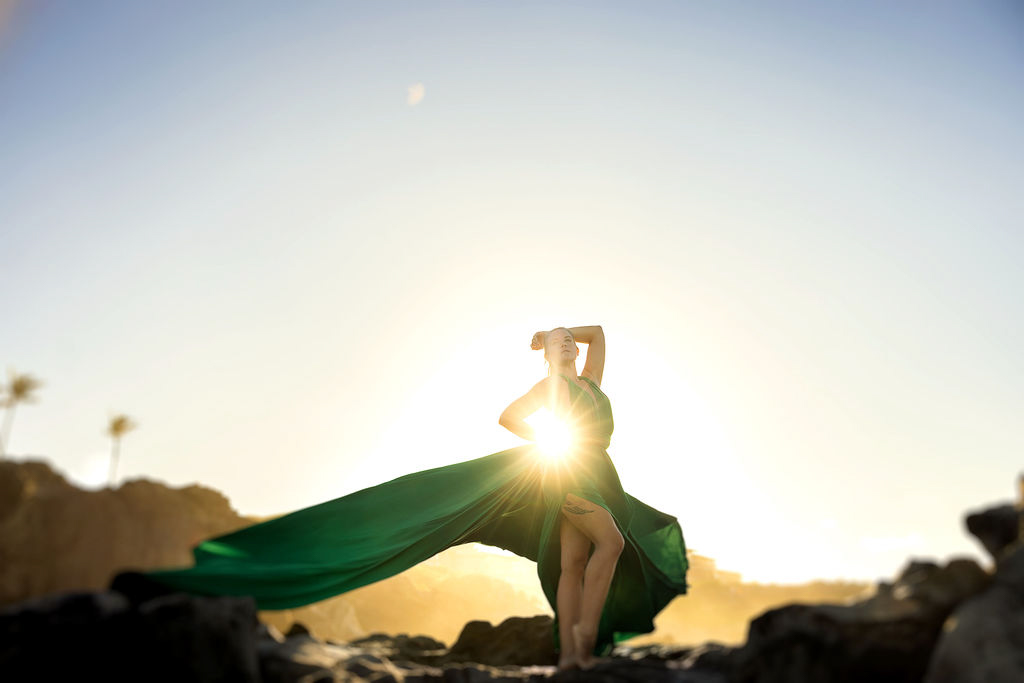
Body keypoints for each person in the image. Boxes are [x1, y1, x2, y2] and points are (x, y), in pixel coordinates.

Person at [135, 324, 688, 670]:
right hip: (568, 476)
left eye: (572, 342)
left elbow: (598, 330)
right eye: (562, 342)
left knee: (573, 561)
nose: (572, 343)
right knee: (609, 544)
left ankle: (572, 656)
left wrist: (555, 333)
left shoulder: (592, 380)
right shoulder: (553, 387)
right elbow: (507, 417)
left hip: (599, 474)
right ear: (547, 359)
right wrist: (546, 433)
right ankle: (585, 637)